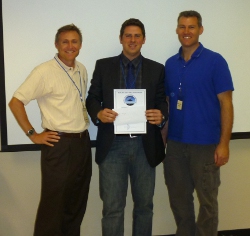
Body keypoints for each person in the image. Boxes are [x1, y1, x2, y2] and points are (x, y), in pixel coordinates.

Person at [86, 18, 168, 236]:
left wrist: (161, 114)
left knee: (144, 208)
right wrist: (98, 112)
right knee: (112, 209)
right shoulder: (103, 66)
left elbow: (161, 101)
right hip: (113, 146)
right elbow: (92, 98)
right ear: (121, 38)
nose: (133, 40)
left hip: (145, 146)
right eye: (128, 35)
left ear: (144, 39)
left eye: (137, 35)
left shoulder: (157, 69)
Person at [9, 24, 92, 236]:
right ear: (56, 44)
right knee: (53, 208)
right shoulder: (44, 71)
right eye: (65, 41)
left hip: (82, 143)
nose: (70, 46)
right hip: (59, 145)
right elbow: (16, 102)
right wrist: (32, 134)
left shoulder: (81, 69)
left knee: (76, 204)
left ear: (80, 45)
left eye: (74, 41)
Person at [163, 10, 234, 236]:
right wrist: (162, 141)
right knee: (180, 202)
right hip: (174, 145)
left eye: (191, 27)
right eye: (182, 27)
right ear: (177, 30)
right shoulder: (170, 64)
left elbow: (226, 104)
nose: (186, 31)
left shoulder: (215, 61)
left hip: (205, 146)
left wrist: (224, 144)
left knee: (207, 204)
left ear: (200, 30)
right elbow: (167, 104)